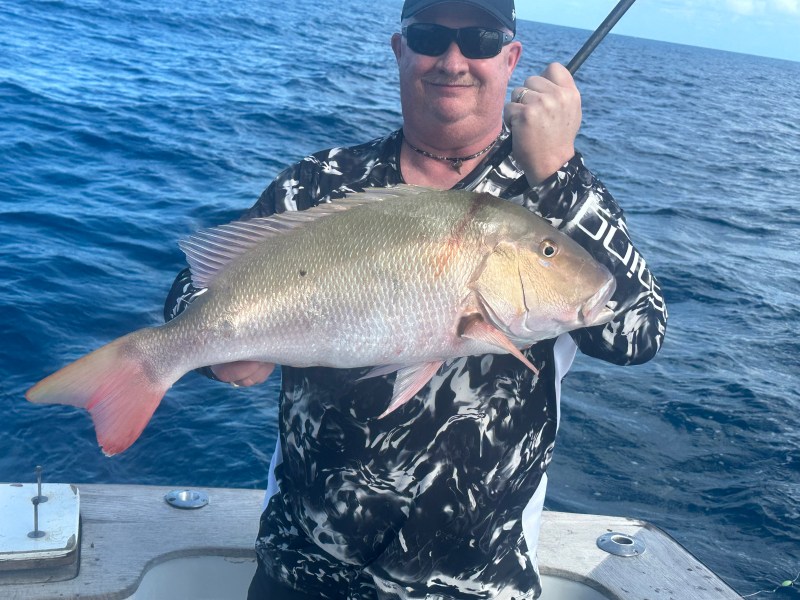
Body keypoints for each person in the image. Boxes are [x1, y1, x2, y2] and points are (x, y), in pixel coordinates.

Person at [164, 0, 667, 598]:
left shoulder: (550, 198)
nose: (454, 60)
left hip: (474, 584)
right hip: (300, 569)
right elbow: (189, 293)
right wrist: (220, 352)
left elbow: (637, 333)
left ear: (511, 60)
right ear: (401, 50)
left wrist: (560, 169)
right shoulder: (320, 183)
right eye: (430, 36)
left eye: (479, 40)